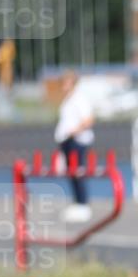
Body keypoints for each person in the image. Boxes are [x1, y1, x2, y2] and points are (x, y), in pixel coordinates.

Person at [54, 70, 95, 223]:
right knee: (71, 172)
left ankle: (83, 203)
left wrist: (74, 131)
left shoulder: (79, 98)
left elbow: (88, 120)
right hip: (67, 140)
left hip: (76, 140)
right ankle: (77, 202)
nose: (63, 85)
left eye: (66, 82)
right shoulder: (68, 100)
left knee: (77, 171)